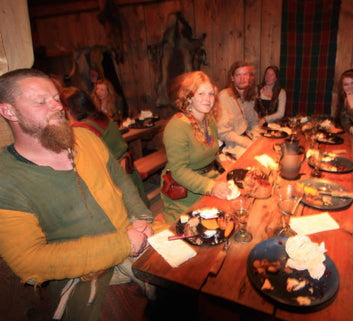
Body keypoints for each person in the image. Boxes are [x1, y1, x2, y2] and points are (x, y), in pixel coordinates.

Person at [0, 69, 155, 320]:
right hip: (89, 279)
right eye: (41, 101)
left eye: (56, 98)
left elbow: (121, 180)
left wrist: (141, 218)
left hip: (138, 239)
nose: (57, 107)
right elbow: (28, 262)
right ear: (9, 111)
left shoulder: (84, 137)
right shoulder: (5, 177)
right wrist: (123, 244)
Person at [161, 71, 231, 223]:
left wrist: (223, 167)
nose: (207, 99)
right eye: (201, 93)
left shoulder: (209, 119)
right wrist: (211, 187)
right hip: (184, 192)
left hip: (209, 178)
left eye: (211, 94)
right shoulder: (177, 126)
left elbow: (213, 153)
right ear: (189, 96)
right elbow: (178, 171)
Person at [61, 86, 149, 207]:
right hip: (129, 173)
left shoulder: (81, 130)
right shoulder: (100, 116)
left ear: (67, 110)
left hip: (115, 181)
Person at [217, 61, 259, 158]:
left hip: (247, 137)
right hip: (231, 144)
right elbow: (223, 132)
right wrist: (245, 141)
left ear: (250, 78)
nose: (242, 78)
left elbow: (253, 122)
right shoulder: (224, 96)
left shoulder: (248, 96)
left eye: (245, 74)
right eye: (238, 75)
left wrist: (256, 135)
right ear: (232, 78)